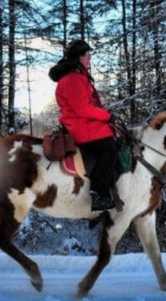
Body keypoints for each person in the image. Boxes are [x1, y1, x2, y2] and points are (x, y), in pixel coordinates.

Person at [49, 40, 120, 212]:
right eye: (86, 54)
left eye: (89, 54)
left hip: (81, 123)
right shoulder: (73, 79)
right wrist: (107, 116)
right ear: (77, 58)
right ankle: (98, 194)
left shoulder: (77, 76)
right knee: (109, 150)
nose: (89, 57)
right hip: (80, 126)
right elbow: (83, 109)